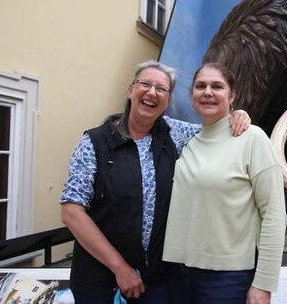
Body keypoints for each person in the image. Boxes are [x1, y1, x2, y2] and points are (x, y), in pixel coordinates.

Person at [60, 60, 251, 303]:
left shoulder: (177, 134)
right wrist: (121, 269)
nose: (152, 93)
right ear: (130, 90)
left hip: (155, 280)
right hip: (99, 281)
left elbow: (215, 130)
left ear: (168, 100)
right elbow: (71, 212)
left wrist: (238, 115)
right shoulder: (95, 143)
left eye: (161, 89)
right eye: (145, 84)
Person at [163, 63, 287, 304]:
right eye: (201, 86)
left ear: (232, 96)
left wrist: (264, 283)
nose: (207, 92)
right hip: (177, 272)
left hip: (226, 279)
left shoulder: (252, 139)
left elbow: (273, 214)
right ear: (192, 96)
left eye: (217, 86)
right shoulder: (185, 140)